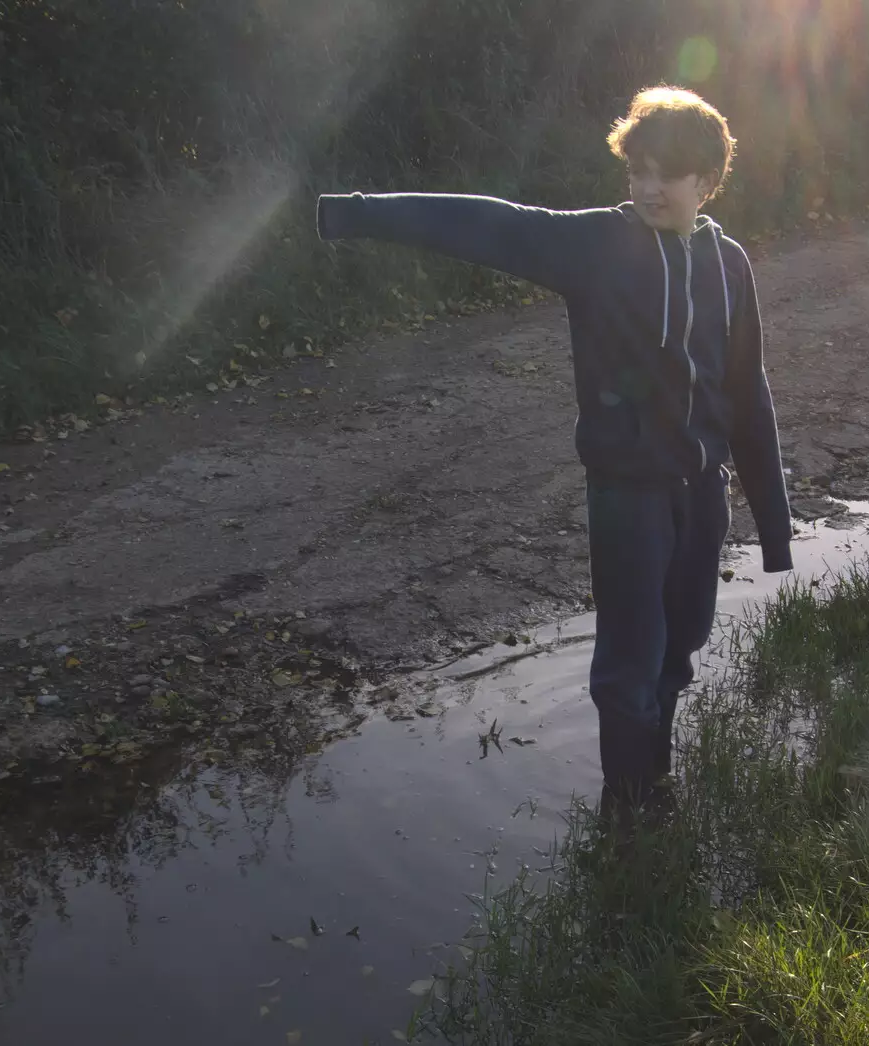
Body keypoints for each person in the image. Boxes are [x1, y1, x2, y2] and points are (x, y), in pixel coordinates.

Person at [315, 86, 793, 812]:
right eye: (638, 170)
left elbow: (747, 391)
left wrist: (775, 527)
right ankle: (628, 815)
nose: (648, 187)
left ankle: (652, 785)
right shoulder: (596, 245)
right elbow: (488, 224)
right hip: (628, 494)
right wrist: (356, 212)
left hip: (703, 494)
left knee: (680, 649)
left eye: (666, 174)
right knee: (629, 663)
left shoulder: (729, 265)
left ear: (707, 180)